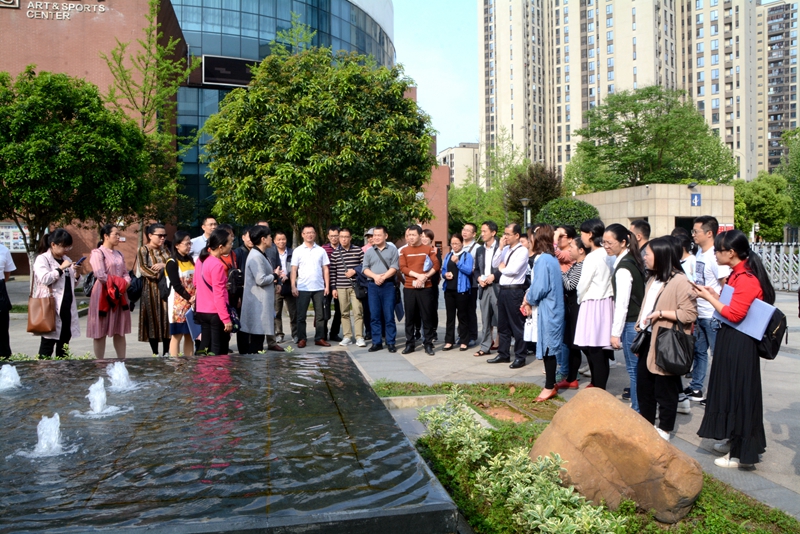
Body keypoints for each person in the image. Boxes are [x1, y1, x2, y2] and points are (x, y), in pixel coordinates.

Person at [695, 230, 774, 468]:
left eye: (718, 250)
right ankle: (733, 440)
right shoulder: (737, 274)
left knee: (740, 395)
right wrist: (714, 294)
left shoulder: (747, 278)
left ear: (731, 253)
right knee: (730, 392)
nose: (715, 255)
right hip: (732, 339)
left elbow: (735, 314)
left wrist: (709, 299)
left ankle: (741, 454)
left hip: (741, 343)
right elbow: (732, 304)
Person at [635, 237, 698, 441]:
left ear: (661, 255)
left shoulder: (681, 281)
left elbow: (689, 314)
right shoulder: (653, 279)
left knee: (665, 389)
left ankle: (664, 429)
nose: (644, 257)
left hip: (666, 341)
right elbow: (646, 306)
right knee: (644, 386)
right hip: (648, 338)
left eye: (648, 254)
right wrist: (640, 328)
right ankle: (646, 425)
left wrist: (661, 314)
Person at [687, 215, 730, 402]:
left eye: (696, 231)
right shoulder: (699, 253)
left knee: (718, 356)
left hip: (713, 314)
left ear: (709, 233)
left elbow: (725, 285)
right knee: (699, 352)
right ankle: (696, 388)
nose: (693, 234)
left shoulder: (715, 256)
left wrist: (722, 307)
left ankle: (719, 394)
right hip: (700, 312)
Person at [603, 223, 645, 411]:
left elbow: (622, 304)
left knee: (634, 371)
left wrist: (615, 333)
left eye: (609, 242)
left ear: (623, 242)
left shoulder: (623, 268)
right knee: (638, 370)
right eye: (604, 242)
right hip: (637, 322)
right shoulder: (633, 260)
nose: (606, 246)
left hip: (631, 324)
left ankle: (637, 411)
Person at [522, 225, 565, 399]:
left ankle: (549, 385)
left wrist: (527, 298)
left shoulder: (543, 259)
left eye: (531, 237)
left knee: (548, 348)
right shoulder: (550, 258)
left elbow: (540, 288)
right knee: (549, 346)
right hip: (552, 308)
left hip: (548, 309)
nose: (530, 240)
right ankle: (550, 383)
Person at [574, 219, 614, 389]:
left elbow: (583, 284)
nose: (581, 237)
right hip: (607, 302)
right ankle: (599, 386)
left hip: (592, 303)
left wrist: (579, 298)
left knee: (593, 348)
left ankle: (598, 387)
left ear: (590, 234)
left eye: (582, 234)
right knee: (602, 350)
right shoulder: (609, 254)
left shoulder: (592, 257)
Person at [32, 229, 80, 358]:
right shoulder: (42, 259)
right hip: (51, 308)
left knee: (64, 345)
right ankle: (44, 370)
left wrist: (77, 273)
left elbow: (72, 284)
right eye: (64, 246)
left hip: (66, 308)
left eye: (69, 246)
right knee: (47, 344)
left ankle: (63, 370)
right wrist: (61, 268)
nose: (67, 249)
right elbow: (45, 279)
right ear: (53, 244)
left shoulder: (66, 259)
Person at [487, 223, 529, 368]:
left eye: (508, 234)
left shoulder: (522, 251)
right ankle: (503, 353)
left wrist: (502, 268)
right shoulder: (505, 249)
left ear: (517, 235)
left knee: (517, 325)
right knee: (502, 324)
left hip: (514, 290)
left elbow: (513, 270)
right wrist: (499, 248)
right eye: (504, 234)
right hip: (503, 290)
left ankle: (520, 356)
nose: (505, 237)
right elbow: (495, 263)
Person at [87, 224, 131, 359]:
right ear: (106, 236)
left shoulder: (119, 254)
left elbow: (125, 273)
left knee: (120, 330)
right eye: (115, 234)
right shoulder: (97, 253)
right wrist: (120, 284)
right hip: (103, 293)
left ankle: (122, 361)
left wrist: (126, 283)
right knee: (100, 330)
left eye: (119, 234)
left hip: (119, 295)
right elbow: (100, 275)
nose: (118, 237)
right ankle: (100, 362)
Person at [399, 224, 440, 355]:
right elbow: (403, 267)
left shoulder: (428, 249)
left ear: (420, 235)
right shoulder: (404, 251)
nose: (410, 237)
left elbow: (436, 265)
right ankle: (410, 344)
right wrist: (418, 276)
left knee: (427, 316)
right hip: (409, 287)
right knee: (410, 317)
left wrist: (425, 277)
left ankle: (428, 343)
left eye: (413, 235)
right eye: (409, 235)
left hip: (425, 288)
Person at [555, 236, 589, 390]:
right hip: (571, 309)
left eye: (572, 247)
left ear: (581, 250)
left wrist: (559, 272)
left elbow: (570, 285)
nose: (569, 250)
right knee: (572, 345)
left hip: (577, 309)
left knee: (582, 347)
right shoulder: (576, 265)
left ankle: (594, 380)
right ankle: (571, 378)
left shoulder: (583, 266)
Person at [195, 228, 234, 355]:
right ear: (221, 247)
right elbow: (218, 294)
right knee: (218, 350)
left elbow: (196, 283)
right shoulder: (217, 264)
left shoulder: (201, 260)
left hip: (202, 310)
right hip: (215, 312)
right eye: (230, 243)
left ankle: (202, 368)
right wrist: (226, 319)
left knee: (205, 347)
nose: (231, 246)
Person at [291, 224, 331, 348]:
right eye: (307, 233)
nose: (310, 235)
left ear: (315, 234)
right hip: (303, 288)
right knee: (301, 316)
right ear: (302, 235)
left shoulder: (321, 250)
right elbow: (294, 269)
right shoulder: (298, 250)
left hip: (319, 287)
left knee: (320, 315)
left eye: (312, 232)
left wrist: (327, 286)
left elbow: (325, 269)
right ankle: (302, 338)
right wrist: (293, 286)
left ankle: (319, 338)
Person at [239, 225, 277, 354]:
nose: (271, 239)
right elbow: (260, 280)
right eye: (270, 236)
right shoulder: (256, 256)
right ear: (263, 239)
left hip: (260, 302)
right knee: (257, 340)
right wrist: (274, 276)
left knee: (258, 337)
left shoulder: (260, 254)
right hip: (258, 303)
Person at [362, 225, 399, 353]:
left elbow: (394, 267)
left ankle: (391, 342)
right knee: (374, 315)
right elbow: (365, 268)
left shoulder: (392, 250)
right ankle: (376, 342)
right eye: (374, 235)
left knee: (389, 315)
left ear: (385, 236)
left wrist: (383, 277)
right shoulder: (369, 252)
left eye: (379, 235)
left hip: (388, 285)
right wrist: (375, 277)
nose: (376, 237)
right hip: (373, 286)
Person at [136, 223, 171, 357]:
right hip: (150, 289)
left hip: (166, 289)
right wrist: (159, 273)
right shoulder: (143, 250)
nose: (162, 238)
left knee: (167, 319)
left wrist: (164, 266)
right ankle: (155, 353)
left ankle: (166, 352)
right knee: (152, 319)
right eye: (160, 235)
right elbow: (143, 268)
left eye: (164, 235)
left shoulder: (167, 249)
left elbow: (173, 264)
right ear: (150, 235)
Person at [331, 227, 365, 347]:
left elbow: (364, 266)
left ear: (350, 238)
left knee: (358, 311)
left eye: (346, 237)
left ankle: (359, 337)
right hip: (341, 287)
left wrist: (354, 271)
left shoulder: (358, 250)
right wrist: (333, 288)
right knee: (344, 312)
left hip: (355, 286)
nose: (344, 239)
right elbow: (333, 272)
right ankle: (347, 336)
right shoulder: (335, 253)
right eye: (341, 237)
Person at [165, 230, 196, 357]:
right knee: (177, 334)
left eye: (190, 243)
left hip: (192, 302)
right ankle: (175, 362)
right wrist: (189, 298)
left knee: (190, 334)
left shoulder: (190, 260)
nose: (189, 246)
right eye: (186, 243)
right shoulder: (172, 262)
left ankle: (189, 361)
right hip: (178, 304)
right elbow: (176, 285)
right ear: (177, 245)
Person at [442, 233, 474, 351]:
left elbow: (469, 271)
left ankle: (464, 340)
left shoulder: (467, 256)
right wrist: (445, 275)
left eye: (457, 243)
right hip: (449, 289)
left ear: (462, 244)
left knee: (462, 316)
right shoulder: (448, 255)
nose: (454, 246)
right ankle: (449, 341)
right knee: (450, 316)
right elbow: (443, 270)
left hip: (462, 290)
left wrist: (457, 262)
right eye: (452, 244)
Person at [475, 220, 501, 357]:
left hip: (497, 287)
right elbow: (476, 270)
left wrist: (494, 276)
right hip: (484, 287)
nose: (482, 234)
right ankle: (485, 346)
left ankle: (503, 347)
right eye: (481, 231)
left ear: (493, 232)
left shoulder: (501, 248)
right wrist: (479, 278)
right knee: (485, 319)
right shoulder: (480, 250)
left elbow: (505, 267)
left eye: (485, 231)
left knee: (500, 317)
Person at [269, 231, 296, 344]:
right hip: (276, 285)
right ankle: (279, 334)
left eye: (283, 239)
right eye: (279, 239)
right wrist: (276, 276)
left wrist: (287, 276)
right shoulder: (271, 253)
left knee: (293, 312)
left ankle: (295, 334)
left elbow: (296, 268)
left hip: (289, 284)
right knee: (276, 312)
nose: (281, 241)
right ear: (274, 241)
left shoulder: (292, 252)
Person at [419, 229, 441, 343]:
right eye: (422, 236)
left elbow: (438, 266)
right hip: (419, 283)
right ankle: (421, 332)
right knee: (420, 309)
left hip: (432, 284)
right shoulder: (418, 250)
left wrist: (427, 275)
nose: (424, 239)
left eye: (426, 237)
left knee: (432, 308)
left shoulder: (435, 250)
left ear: (431, 239)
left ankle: (433, 331)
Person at [322, 226, 342, 342]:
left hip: (340, 284)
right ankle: (323, 333)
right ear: (328, 236)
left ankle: (334, 333)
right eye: (331, 236)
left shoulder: (344, 248)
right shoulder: (323, 249)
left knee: (340, 310)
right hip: (325, 284)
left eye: (336, 236)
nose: (334, 238)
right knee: (324, 309)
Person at [461, 222, 480, 345]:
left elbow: (479, 266)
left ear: (474, 234)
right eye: (464, 229)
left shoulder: (478, 248)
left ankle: (472, 336)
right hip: (459, 283)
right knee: (461, 310)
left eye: (468, 230)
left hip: (471, 283)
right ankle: (462, 335)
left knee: (470, 309)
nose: (465, 232)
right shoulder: (457, 245)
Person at [0, 241, 17, 358]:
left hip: (0, 293)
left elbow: (7, 273)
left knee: (2, 331)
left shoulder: (3, 250)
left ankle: (4, 360)